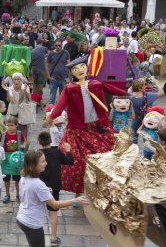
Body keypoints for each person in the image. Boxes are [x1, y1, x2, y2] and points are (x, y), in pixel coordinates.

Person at [48, 56, 127, 194]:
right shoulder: (70, 88)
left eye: (82, 67)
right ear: (72, 73)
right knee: (77, 159)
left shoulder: (95, 84)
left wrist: (127, 93)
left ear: (86, 68)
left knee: (106, 154)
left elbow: (111, 89)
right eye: (75, 69)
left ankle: (101, 186)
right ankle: (80, 189)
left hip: (98, 126)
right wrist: (52, 116)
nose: (79, 70)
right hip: (78, 129)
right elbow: (60, 105)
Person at [17, 150, 89, 247]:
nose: (46, 163)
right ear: (33, 165)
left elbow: (27, 194)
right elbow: (54, 204)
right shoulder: (38, 184)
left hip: (21, 218)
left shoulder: (24, 177)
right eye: (42, 161)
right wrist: (75, 201)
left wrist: (45, 191)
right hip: (32, 223)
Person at [38, 132, 74, 246]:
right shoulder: (57, 152)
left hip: (40, 186)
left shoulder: (37, 154)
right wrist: (68, 150)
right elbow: (70, 161)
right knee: (53, 212)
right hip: (54, 187)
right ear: (50, 141)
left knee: (38, 212)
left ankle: (38, 236)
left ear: (39, 142)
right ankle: (53, 238)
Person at [129, 78, 164, 143]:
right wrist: (156, 83)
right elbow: (161, 93)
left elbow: (129, 89)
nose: (145, 86)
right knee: (147, 141)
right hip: (147, 122)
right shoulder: (148, 95)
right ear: (140, 88)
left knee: (134, 140)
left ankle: (134, 151)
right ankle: (146, 151)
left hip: (135, 121)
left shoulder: (130, 96)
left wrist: (138, 81)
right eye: (144, 85)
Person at [1, 116, 26, 204]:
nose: (9, 127)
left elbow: (24, 141)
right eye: (8, 125)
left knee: (17, 179)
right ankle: (7, 194)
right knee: (6, 179)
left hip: (16, 159)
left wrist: (23, 145)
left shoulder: (20, 134)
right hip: (6, 159)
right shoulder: (3, 134)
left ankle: (18, 194)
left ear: (16, 125)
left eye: (11, 125)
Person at [1, 72, 31, 138]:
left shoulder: (25, 87)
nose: (16, 81)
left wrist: (25, 91)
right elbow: (11, 100)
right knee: (11, 131)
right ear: (12, 80)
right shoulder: (10, 88)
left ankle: (23, 145)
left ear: (21, 80)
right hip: (12, 112)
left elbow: (29, 98)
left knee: (23, 132)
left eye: (18, 79)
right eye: (15, 79)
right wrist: (8, 90)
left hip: (23, 113)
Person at [45, 40, 70, 104]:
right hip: (54, 78)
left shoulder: (66, 53)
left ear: (61, 46)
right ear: (54, 46)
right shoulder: (51, 53)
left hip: (63, 78)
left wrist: (69, 77)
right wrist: (48, 76)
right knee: (52, 98)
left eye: (59, 46)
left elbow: (69, 65)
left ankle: (62, 111)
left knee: (63, 97)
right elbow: (47, 65)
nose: (58, 47)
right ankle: (51, 111)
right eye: (56, 45)